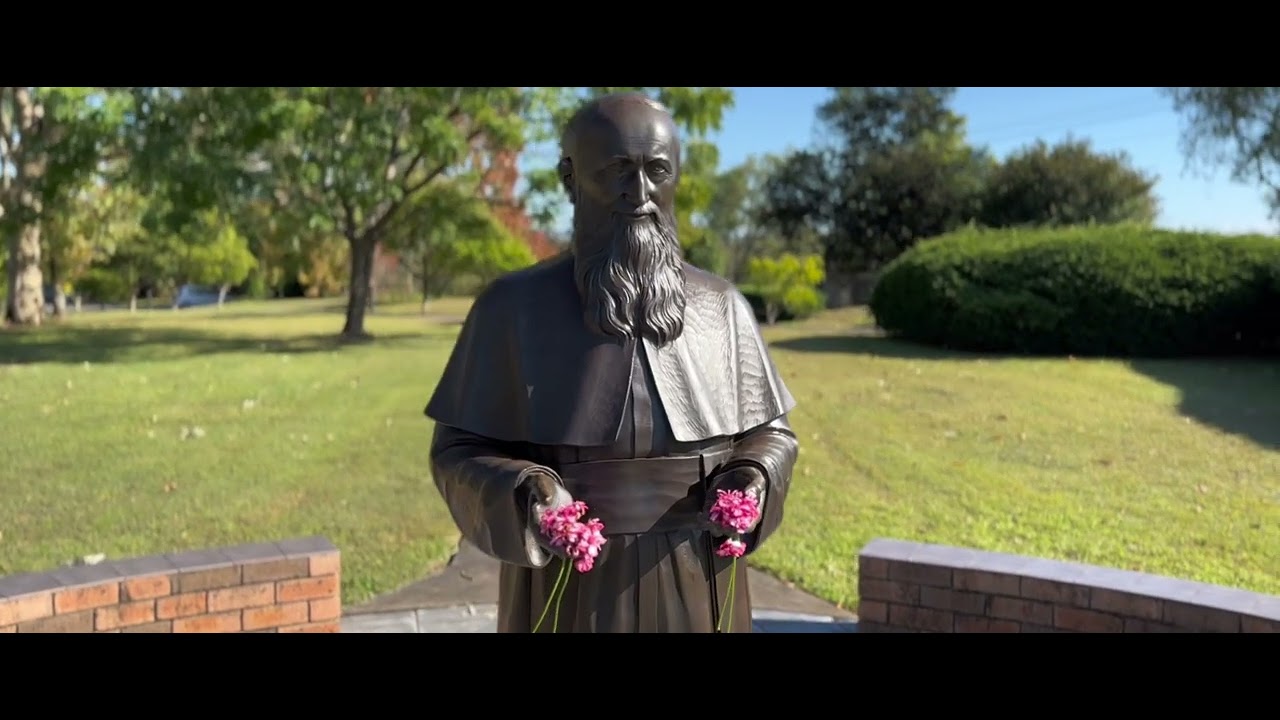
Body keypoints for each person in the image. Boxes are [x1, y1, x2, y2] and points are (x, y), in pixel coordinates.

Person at [424, 92, 799, 633]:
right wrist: (529, 491)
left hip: (702, 574)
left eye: (657, 171)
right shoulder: (510, 309)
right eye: (618, 170)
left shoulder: (723, 307)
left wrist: (752, 476)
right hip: (569, 582)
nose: (640, 194)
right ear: (570, 179)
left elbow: (772, 435)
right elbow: (458, 451)